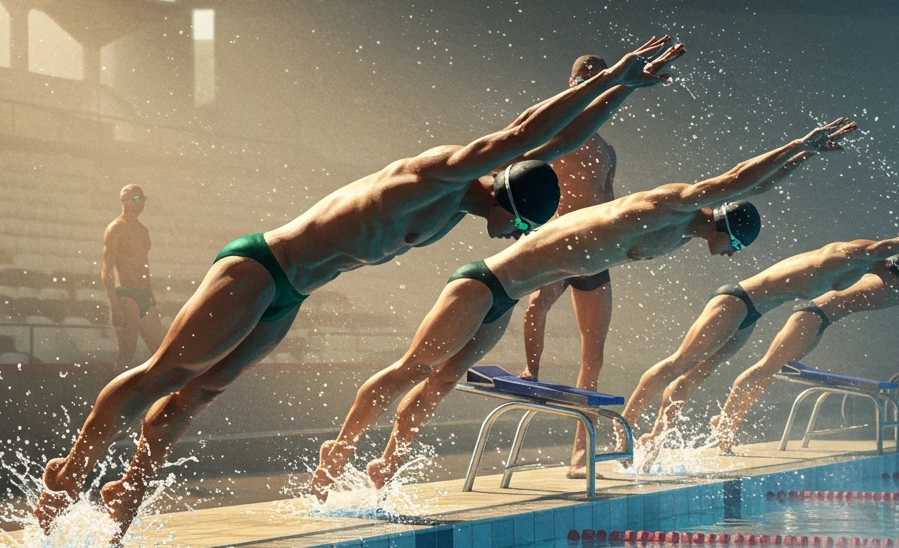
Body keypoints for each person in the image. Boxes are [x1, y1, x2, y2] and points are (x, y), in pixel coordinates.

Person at [34, 35, 684, 539]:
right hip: (261, 268)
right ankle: (68, 473)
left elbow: (558, 138)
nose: (508, 237)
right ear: (504, 197)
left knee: (197, 393)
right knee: (162, 374)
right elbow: (527, 133)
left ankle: (126, 492)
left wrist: (620, 96)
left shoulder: (467, 200)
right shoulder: (443, 175)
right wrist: (614, 74)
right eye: (513, 226)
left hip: (293, 293)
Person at [313, 115, 854, 497]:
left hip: (510, 295)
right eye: (733, 245)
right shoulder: (665, 206)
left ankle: (390, 463)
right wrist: (800, 147)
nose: (727, 256)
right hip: (485, 282)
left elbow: (749, 189)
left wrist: (799, 161)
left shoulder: (683, 233)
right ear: (725, 227)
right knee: (414, 368)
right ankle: (337, 451)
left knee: (443, 380)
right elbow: (737, 180)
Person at [623, 206, 899, 469]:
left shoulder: (875, 265)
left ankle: (656, 438)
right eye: (896, 283)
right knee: (680, 364)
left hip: (752, 313)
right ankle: (625, 427)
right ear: (891, 268)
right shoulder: (853, 255)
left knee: (696, 374)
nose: (895, 291)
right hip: (738, 301)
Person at [711, 244, 899, 454]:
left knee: (773, 371)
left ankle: (729, 420)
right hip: (814, 313)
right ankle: (726, 421)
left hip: (824, 319)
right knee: (767, 367)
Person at [519, 54, 618, 478]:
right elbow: (522, 172)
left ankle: (581, 452)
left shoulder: (607, 149)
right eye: (584, 82)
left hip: (596, 250)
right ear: (572, 82)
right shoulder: (554, 135)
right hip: (561, 240)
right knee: (535, 306)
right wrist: (528, 222)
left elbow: (611, 200)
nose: (589, 89)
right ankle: (531, 372)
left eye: (598, 83)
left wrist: (625, 243)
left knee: (593, 353)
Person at [103, 184, 165, 374]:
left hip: (143, 295)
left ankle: (153, 394)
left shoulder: (143, 230)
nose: (141, 204)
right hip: (126, 294)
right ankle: (114, 402)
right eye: (136, 199)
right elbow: (107, 270)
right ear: (125, 201)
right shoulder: (115, 229)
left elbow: (145, 265)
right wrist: (114, 305)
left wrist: (151, 295)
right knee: (126, 353)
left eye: (143, 199)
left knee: (161, 351)